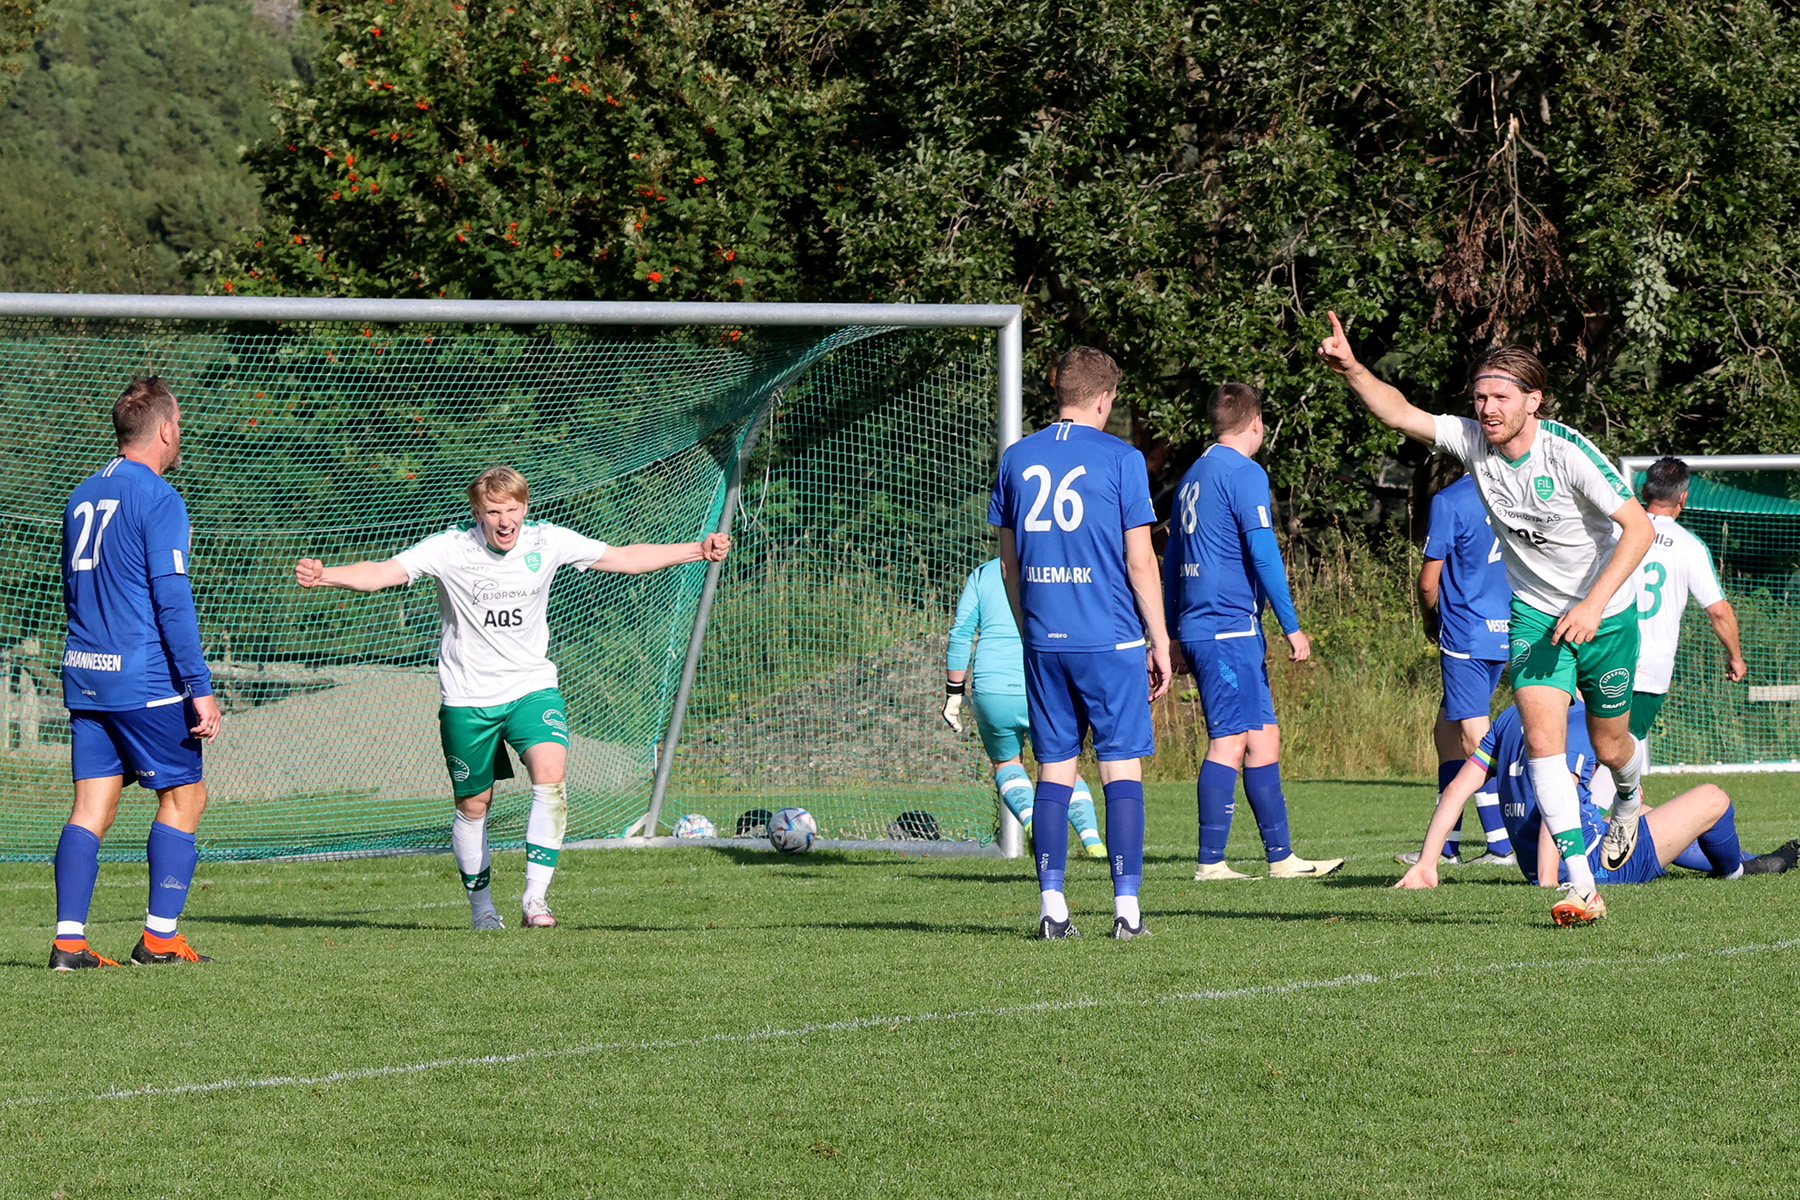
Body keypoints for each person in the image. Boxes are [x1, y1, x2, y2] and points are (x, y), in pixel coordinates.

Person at [1319, 314, 1655, 926]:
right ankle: (1584, 887)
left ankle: (1629, 796)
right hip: (1533, 616)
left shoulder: (1570, 453)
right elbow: (1399, 412)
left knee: (1611, 747)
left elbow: (1641, 528)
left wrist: (1593, 603)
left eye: (1500, 396)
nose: (1487, 407)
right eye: (1479, 396)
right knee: (1541, 743)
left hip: (1604, 616)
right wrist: (1352, 368)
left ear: (1534, 400)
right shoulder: (1475, 440)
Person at [295, 466, 729, 930]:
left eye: (513, 509)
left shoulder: (548, 541)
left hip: (530, 687)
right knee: (474, 805)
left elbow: (622, 557)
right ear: (477, 513)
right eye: (493, 511)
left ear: (526, 508)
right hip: (467, 698)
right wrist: (327, 576)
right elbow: (383, 572)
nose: (505, 521)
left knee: (550, 772)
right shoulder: (450, 549)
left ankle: (535, 900)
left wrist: (695, 550)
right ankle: (482, 910)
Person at [989, 346, 1172, 939]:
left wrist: (1028, 629)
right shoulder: (1122, 459)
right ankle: (1126, 912)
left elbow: (1009, 566)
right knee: (1121, 771)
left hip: (1045, 641)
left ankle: (1053, 910)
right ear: (1103, 398)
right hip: (1110, 639)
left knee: (1055, 771)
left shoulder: (1017, 459)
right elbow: (1140, 560)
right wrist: (1160, 639)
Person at [51, 377, 223, 970]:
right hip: (144, 678)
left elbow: (75, 589)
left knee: (91, 806)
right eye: (180, 426)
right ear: (166, 429)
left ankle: (68, 945)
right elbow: (172, 601)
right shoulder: (159, 498)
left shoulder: (80, 494)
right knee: (185, 795)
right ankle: (158, 939)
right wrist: (199, 688)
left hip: (85, 671)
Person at [1162, 382, 1343, 881]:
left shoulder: (1193, 477)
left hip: (1212, 626)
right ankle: (1210, 863)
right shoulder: (1244, 472)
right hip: (1225, 627)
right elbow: (1265, 554)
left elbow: (1172, 561)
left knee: (1265, 739)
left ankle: (1281, 858)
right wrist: (1293, 626)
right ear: (1256, 423)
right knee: (1229, 742)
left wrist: (1174, 632)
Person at [1396, 702, 1797, 892]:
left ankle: (1747, 858)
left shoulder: (1507, 716)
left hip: (1550, 857)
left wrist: (1428, 863)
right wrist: (1552, 883)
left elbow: (1456, 789)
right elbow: (1561, 803)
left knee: (1645, 810)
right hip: (1592, 862)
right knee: (1713, 798)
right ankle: (1736, 871)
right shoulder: (1571, 719)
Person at [942, 558, 1106, 859]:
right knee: (1061, 766)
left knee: (1005, 762)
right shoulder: (1055, 566)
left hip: (992, 689)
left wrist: (954, 691)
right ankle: (1092, 841)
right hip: (1043, 681)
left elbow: (961, 632)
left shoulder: (982, 573)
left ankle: (1032, 823)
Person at [1395, 469, 1517, 869]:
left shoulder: (1452, 498)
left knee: (1475, 739)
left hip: (1465, 635)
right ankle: (1447, 845)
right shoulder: (1514, 490)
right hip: (1505, 629)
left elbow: (1429, 582)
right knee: (1446, 730)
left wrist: (1431, 621)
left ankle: (1503, 844)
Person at [1631, 456, 1746, 745]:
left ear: (1645, 491)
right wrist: (1735, 657)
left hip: (1601, 655)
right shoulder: (1689, 546)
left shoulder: (1614, 531)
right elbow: (1719, 612)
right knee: (1623, 752)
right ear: (1684, 497)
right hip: (1649, 666)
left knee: (1585, 746)